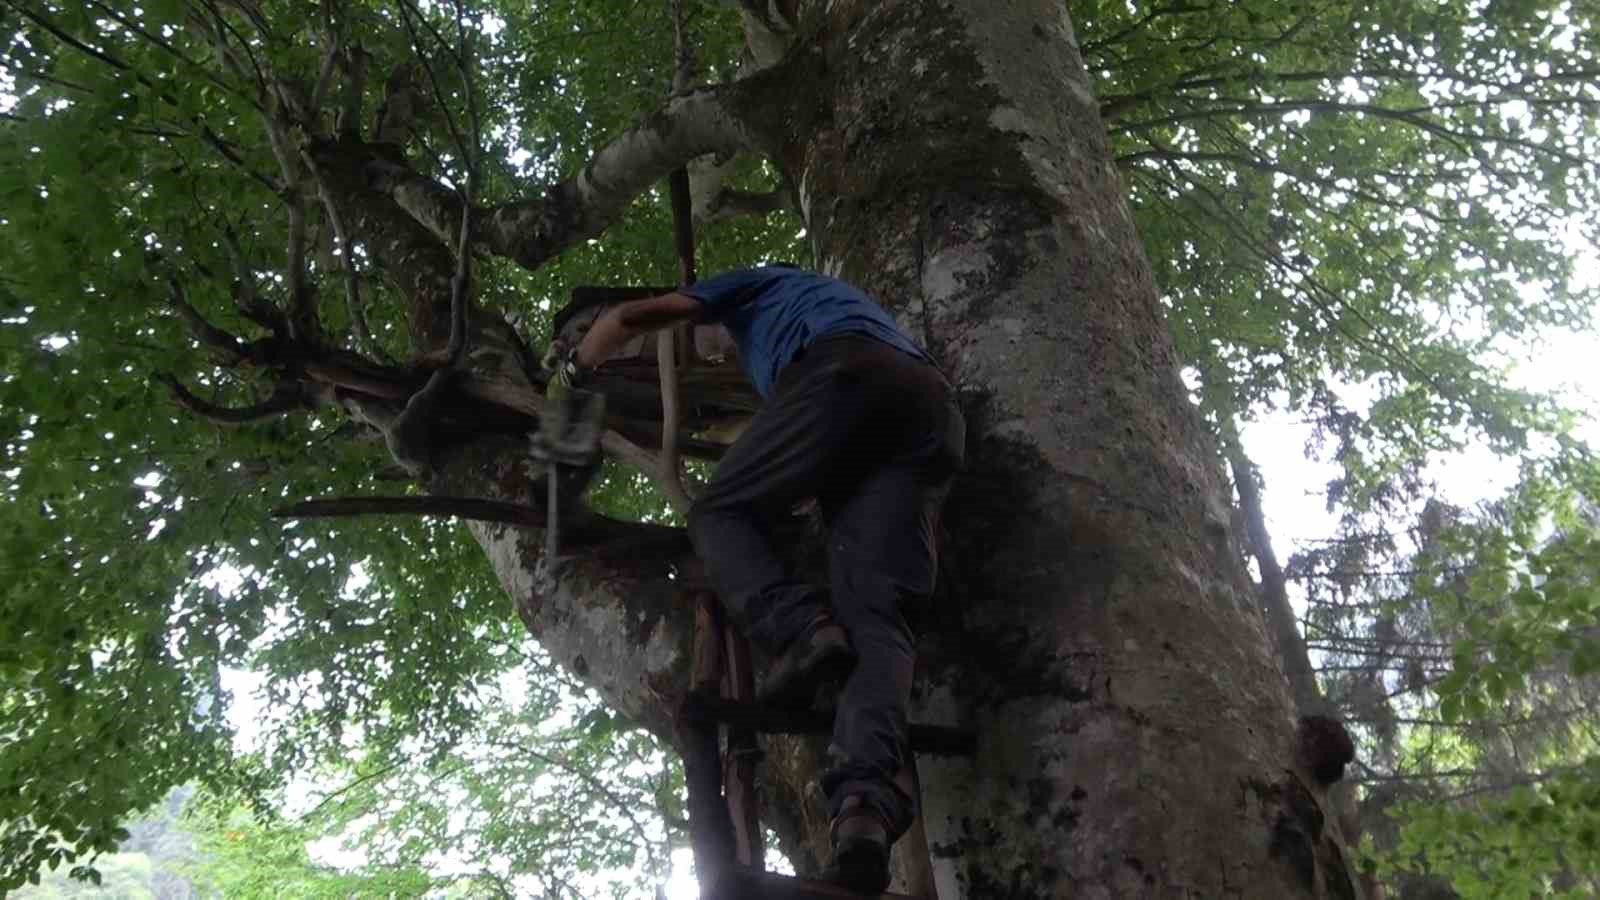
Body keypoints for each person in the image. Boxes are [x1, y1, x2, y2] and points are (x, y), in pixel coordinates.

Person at [551, 264, 964, 891]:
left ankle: (803, 629)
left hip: (848, 374)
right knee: (877, 616)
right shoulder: (794, 326)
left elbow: (628, 319)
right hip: (928, 413)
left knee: (717, 512)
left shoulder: (752, 286)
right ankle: (863, 821)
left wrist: (574, 371)